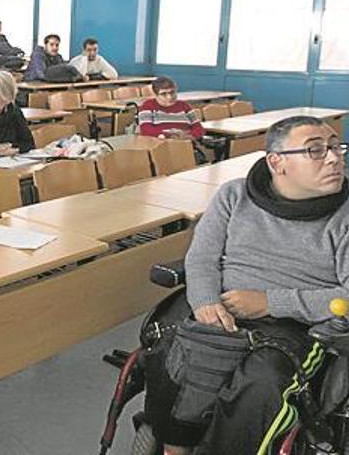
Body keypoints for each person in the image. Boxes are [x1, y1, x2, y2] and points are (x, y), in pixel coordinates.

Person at [145, 116, 349, 455]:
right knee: (170, 349)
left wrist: (271, 302)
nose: (333, 158)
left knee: (263, 380)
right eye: (315, 150)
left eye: (335, 147)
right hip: (222, 308)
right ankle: (174, 444)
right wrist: (205, 302)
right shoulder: (234, 195)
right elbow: (201, 258)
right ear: (277, 162)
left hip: (299, 325)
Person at [138, 76, 204, 140]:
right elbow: (146, 130)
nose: (170, 97)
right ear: (156, 95)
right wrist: (169, 135)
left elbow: (198, 128)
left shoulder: (184, 105)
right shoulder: (147, 106)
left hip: (186, 143)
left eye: (172, 92)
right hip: (160, 144)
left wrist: (189, 136)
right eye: (164, 94)